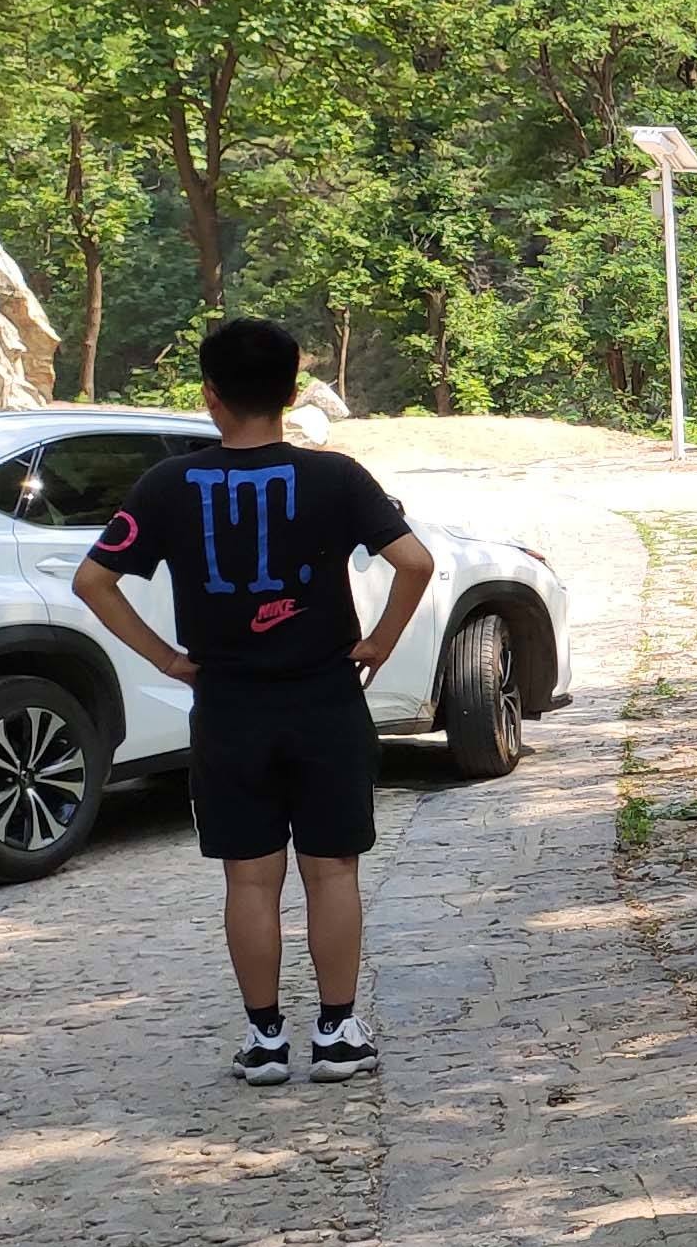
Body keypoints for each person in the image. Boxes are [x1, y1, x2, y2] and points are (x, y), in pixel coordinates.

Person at [74, 318, 434, 1088]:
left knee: (249, 878)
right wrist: (378, 643)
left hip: (228, 705)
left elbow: (94, 581)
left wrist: (171, 660)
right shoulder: (336, 477)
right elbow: (415, 561)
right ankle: (338, 1031)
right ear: (292, 393)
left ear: (210, 397)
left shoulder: (168, 484)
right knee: (333, 869)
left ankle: (265, 1038)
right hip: (325, 698)